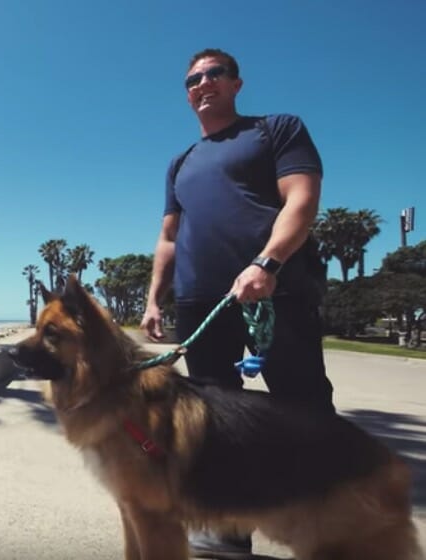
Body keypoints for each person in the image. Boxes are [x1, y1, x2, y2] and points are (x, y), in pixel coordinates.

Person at [140, 48, 335, 560]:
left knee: (303, 407)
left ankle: (333, 526)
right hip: (202, 298)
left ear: (235, 83)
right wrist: (155, 298)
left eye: (212, 75)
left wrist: (266, 264)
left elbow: (302, 198)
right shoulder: (180, 163)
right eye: (191, 80)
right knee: (209, 416)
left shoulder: (275, 130)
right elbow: (168, 237)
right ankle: (225, 534)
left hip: (278, 289)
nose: (200, 84)